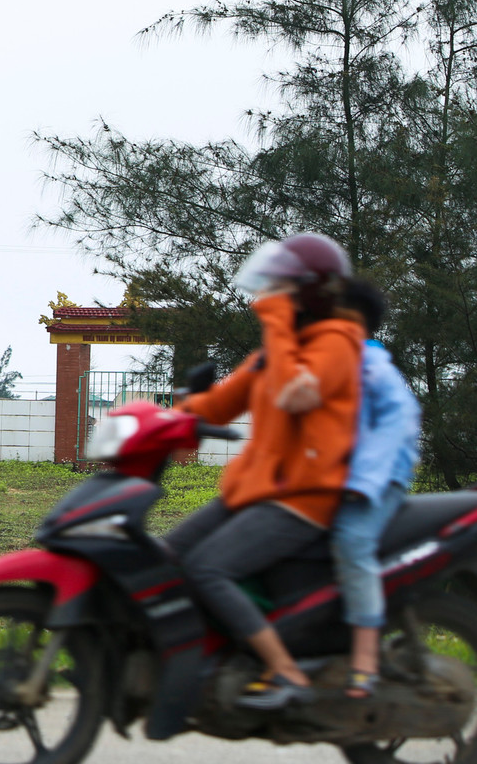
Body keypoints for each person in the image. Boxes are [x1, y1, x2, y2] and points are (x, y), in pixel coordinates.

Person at [169, 233, 366, 710]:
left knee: (208, 568)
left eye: (281, 288)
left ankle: (286, 671)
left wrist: (276, 324)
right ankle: (195, 658)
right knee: (165, 554)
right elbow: (217, 404)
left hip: (302, 498)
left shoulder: (337, 345)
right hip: (256, 492)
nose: (268, 297)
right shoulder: (275, 352)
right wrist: (156, 419)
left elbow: (294, 392)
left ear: (309, 293)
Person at [331, 277, 421, 698]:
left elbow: (397, 422)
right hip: (335, 481)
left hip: (379, 480)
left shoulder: (373, 366)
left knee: (352, 541)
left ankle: (366, 658)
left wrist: (363, 482)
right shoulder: (325, 363)